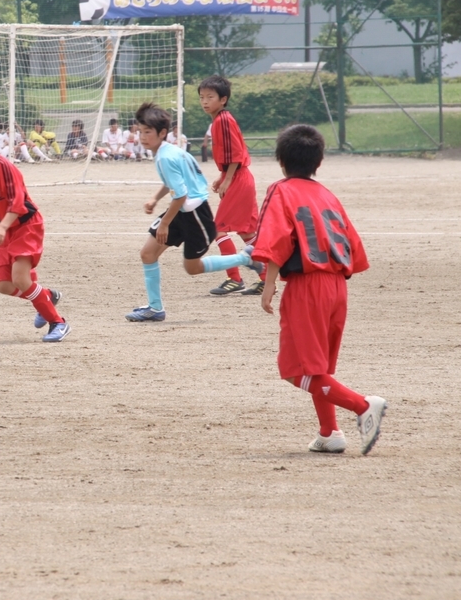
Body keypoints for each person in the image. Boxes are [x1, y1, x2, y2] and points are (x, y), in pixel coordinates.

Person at [254, 125, 386, 455]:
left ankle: (362, 405)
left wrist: (268, 284)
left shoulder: (280, 190)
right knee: (318, 368)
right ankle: (329, 433)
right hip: (337, 285)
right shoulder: (327, 194)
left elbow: (275, 238)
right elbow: (353, 245)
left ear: (281, 160)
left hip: (307, 285)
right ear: (319, 161)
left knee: (293, 370)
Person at [125, 103, 260, 322]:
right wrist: (156, 198)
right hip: (182, 211)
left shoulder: (165, 157)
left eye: (148, 132)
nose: (143, 137)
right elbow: (175, 183)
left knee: (193, 268)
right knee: (148, 254)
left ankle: (245, 258)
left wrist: (165, 223)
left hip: (196, 215)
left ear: (162, 133)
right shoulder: (169, 151)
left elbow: (180, 194)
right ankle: (155, 308)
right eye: (140, 131)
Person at [0, 118, 69, 342]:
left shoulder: (4, 167)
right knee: (4, 285)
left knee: (20, 278)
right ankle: (46, 297)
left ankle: (58, 322)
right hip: (5, 230)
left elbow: (18, 203)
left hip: (26, 225)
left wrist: (2, 227)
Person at [199, 74, 262, 296]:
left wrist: (227, 179)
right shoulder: (220, 119)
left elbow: (235, 153)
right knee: (247, 232)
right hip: (239, 177)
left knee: (218, 229)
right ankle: (265, 278)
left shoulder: (222, 120)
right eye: (202, 97)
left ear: (223, 99)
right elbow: (232, 154)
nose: (205, 101)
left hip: (238, 179)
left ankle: (234, 278)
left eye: (210, 97)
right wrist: (223, 175)